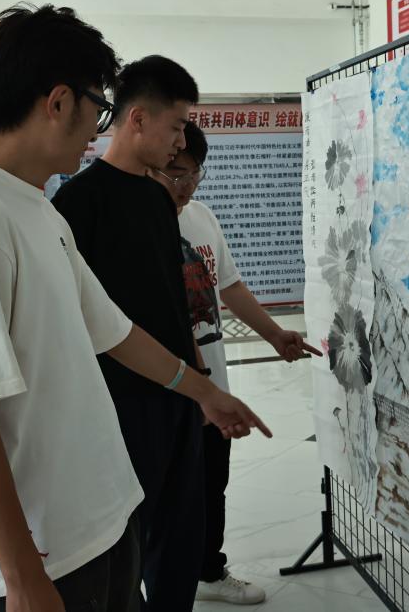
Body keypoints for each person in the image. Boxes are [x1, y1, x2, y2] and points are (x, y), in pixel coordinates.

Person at [0, 6, 269, 612]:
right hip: (41, 558)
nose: (98, 128)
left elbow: (115, 331)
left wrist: (204, 393)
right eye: (98, 108)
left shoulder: (36, 209)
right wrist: (21, 576)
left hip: (98, 523)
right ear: (58, 102)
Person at [52, 56, 218, 612]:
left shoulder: (156, 200)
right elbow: (76, 322)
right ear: (139, 119)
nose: (181, 142)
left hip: (176, 395)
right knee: (124, 542)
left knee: (182, 535)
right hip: (118, 404)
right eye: (176, 127)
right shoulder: (77, 204)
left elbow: (174, 301)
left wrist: (198, 384)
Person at [150, 121, 322, 605]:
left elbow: (229, 286)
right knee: (166, 498)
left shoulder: (202, 217)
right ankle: (159, 586)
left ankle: (209, 570)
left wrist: (274, 334)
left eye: (193, 174)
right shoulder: (139, 226)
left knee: (212, 484)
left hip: (214, 387)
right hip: (167, 387)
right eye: (175, 173)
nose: (185, 186)